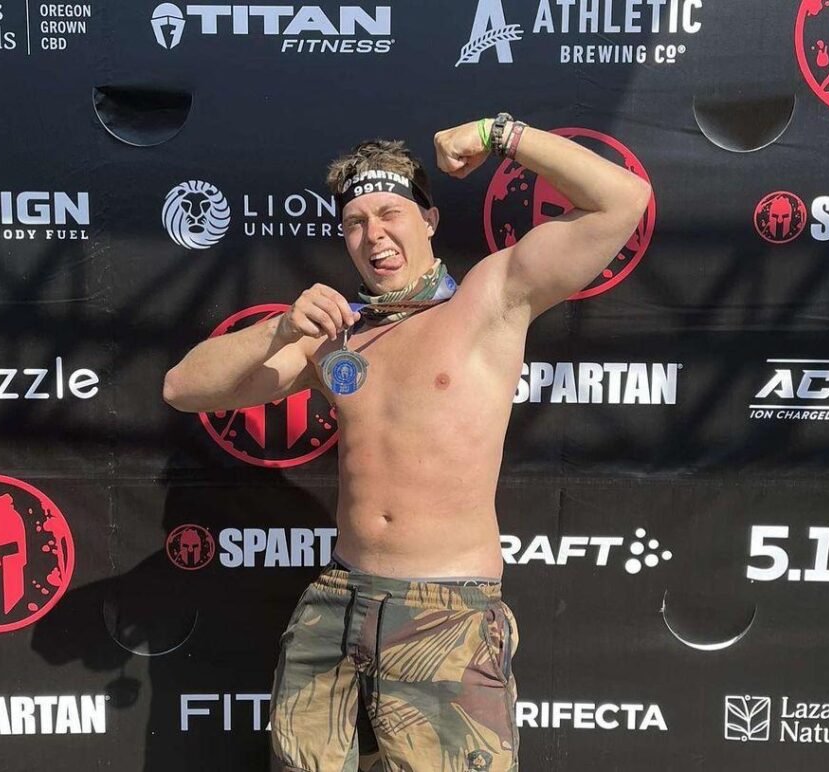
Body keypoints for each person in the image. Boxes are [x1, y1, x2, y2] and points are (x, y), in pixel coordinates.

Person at [163, 114, 652, 771]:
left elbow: (623, 200)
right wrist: (280, 329)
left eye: (390, 213)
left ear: (428, 220)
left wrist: (502, 135)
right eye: (355, 222)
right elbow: (183, 388)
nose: (373, 235)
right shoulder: (335, 335)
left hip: (446, 611)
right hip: (338, 600)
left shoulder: (489, 300)